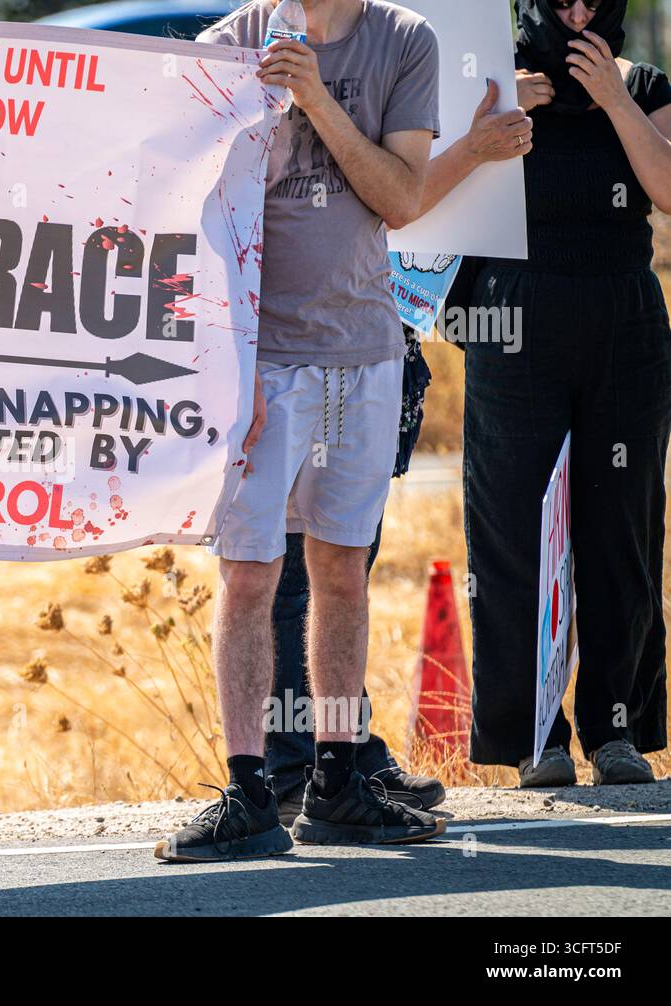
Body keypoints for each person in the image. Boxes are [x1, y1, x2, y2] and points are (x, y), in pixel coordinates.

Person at [157, 0, 447, 861]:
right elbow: (128, 145)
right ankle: (249, 789)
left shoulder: (406, 40)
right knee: (248, 572)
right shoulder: (228, 44)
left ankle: (336, 780)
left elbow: (401, 199)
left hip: (361, 348)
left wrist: (318, 100)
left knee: (342, 571)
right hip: (255, 360)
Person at [266, 42, 542, 825]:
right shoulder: (298, 47)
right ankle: (307, 764)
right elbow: (391, 193)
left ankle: (337, 754)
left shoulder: (398, 39)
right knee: (301, 571)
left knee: (338, 565)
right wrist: (474, 144)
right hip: (313, 340)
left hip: (382, 340)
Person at [453, 0, 671, 787]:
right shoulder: (489, 78)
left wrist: (615, 100)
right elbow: (427, 186)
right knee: (512, 526)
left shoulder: (642, 82)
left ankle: (617, 729)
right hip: (512, 313)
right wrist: (496, 114)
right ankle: (531, 736)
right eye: (561, 2)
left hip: (624, 316)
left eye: (594, 2)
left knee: (623, 528)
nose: (578, 14)